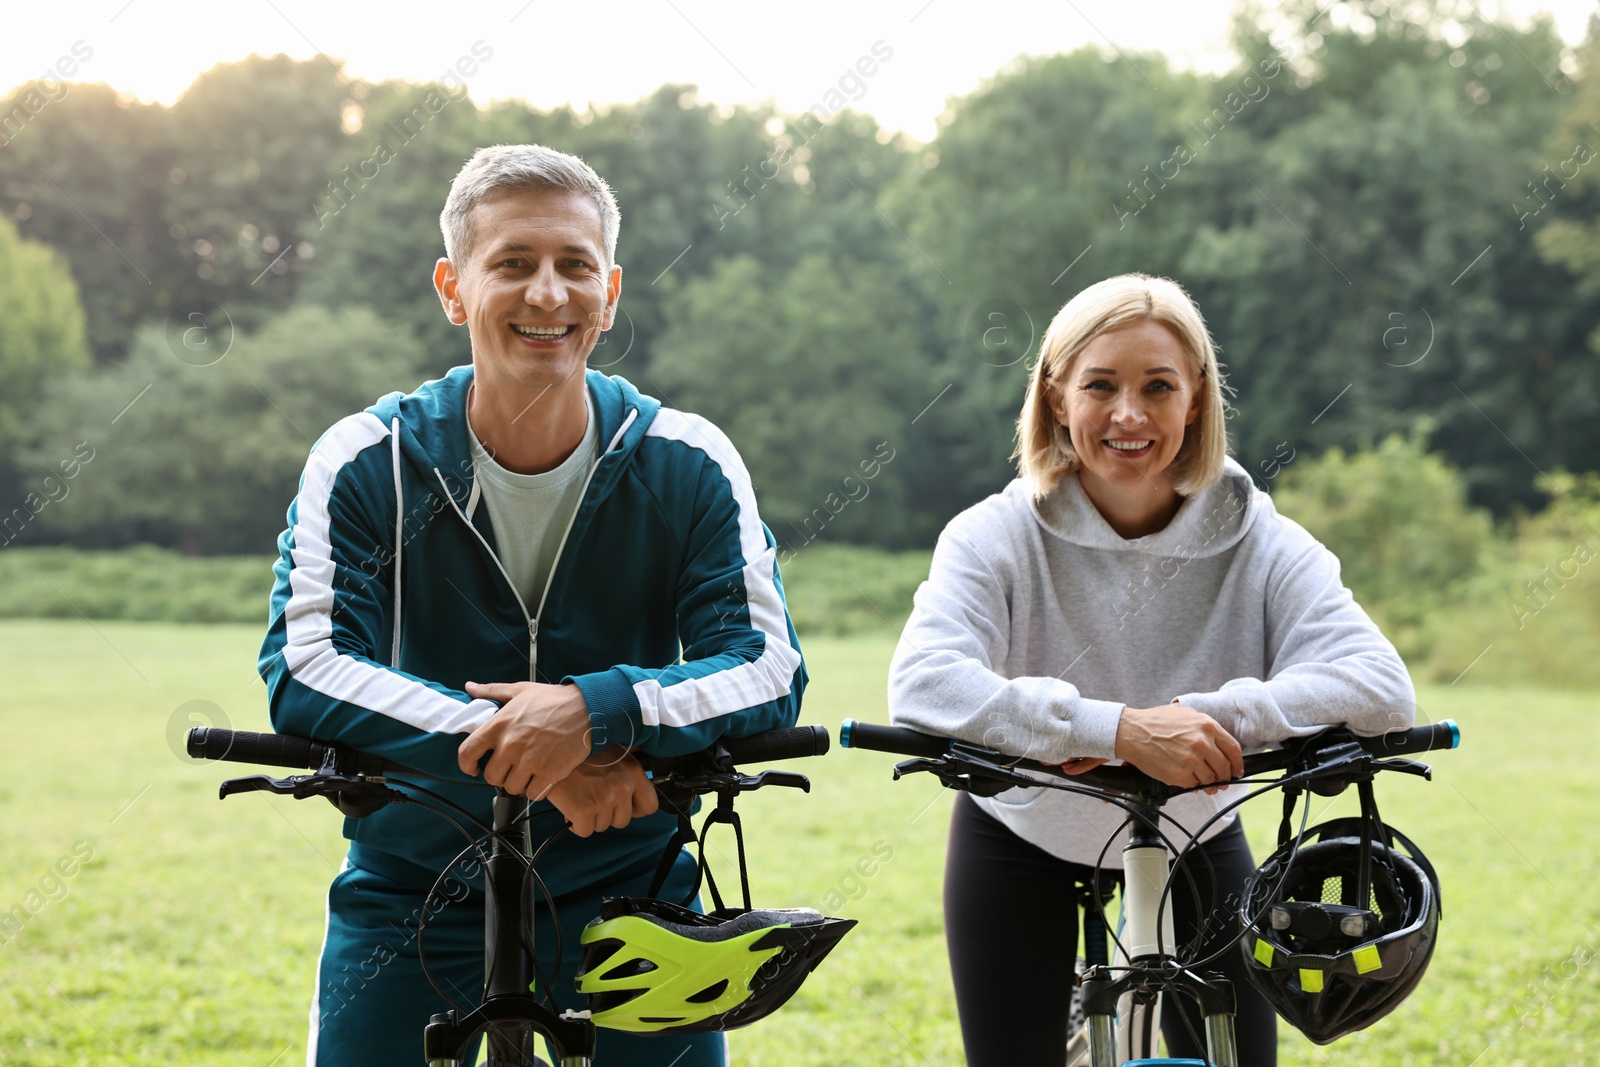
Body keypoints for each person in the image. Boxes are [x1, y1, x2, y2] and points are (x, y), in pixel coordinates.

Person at [257, 144, 806, 1066]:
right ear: (453, 286)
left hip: (630, 884)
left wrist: (594, 712)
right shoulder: (364, 457)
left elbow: (765, 666)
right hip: (412, 885)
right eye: (513, 263)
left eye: (573, 265)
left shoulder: (688, 457)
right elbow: (307, 666)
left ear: (612, 289)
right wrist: (544, 758)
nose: (548, 293)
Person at [887, 273, 1415, 1065]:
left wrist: (1206, 719)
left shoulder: (1257, 535)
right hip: (1022, 829)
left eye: (1157, 386)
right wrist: (1121, 729)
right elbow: (922, 681)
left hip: (1198, 828)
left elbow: (1382, 686)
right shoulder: (991, 533)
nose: (1128, 414)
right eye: (1100, 384)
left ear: (1196, 399)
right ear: (1056, 395)